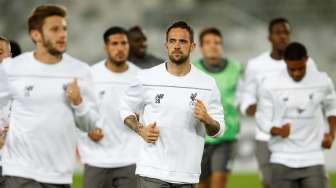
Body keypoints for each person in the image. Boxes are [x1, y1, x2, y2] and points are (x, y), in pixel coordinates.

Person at [0, 4, 99, 188]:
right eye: (55, 29)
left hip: (59, 175)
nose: (62, 34)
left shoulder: (80, 70)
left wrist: (78, 102)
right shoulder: (12, 68)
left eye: (64, 29)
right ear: (36, 35)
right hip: (19, 171)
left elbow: (90, 124)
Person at [120, 21, 225, 188]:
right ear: (166, 45)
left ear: (192, 46)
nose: (177, 46)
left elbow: (218, 130)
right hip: (151, 172)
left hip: (187, 176)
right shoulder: (146, 78)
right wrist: (141, 130)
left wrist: (207, 119)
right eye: (172, 41)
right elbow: (125, 108)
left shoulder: (207, 83)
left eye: (182, 41)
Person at [240, 17, 317, 188]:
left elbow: (317, 92)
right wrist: (254, 109)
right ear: (269, 38)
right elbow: (247, 97)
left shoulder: (306, 63)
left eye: (286, 33)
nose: (282, 37)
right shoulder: (256, 65)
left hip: (297, 134)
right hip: (266, 136)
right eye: (278, 33)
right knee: (269, 182)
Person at [256, 42, 336, 188]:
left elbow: (332, 108)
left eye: (300, 68)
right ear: (285, 61)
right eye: (292, 69)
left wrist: (331, 134)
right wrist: (277, 131)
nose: (297, 73)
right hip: (282, 157)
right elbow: (261, 118)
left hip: (313, 157)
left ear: (306, 59)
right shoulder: (270, 84)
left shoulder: (322, 81)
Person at [78, 26, 140, 188]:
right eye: (114, 44)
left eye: (124, 43)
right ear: (106, 47)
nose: (120, 48)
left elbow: (151, 113)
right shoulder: (90, 75)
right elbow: (77, 111)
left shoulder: (140, 77)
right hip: (96, 159)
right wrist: (87, 132)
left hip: (131, 158)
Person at [192, 27, 241, 188]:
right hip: (199, 137)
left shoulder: (236, 68)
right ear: (201, 47)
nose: (213, 46)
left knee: (219, 183)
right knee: (202, 185)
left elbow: (245, 96)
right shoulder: (192, 69)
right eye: (208, 43)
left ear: (222, 46)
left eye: (217, 42)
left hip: (226, 136)